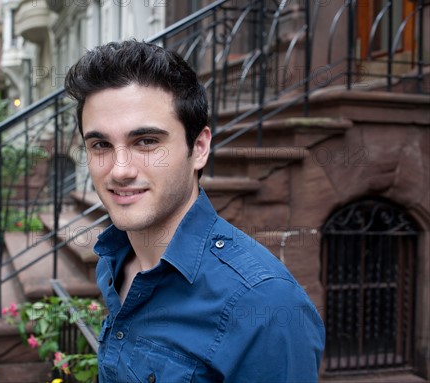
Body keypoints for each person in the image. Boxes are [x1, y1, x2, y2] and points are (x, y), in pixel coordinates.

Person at [64, 40, 325, 382]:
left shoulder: (265, 305)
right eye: (101, 145)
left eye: (146, 142)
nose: (120, 170)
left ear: (199, 148)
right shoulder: (115, 258)